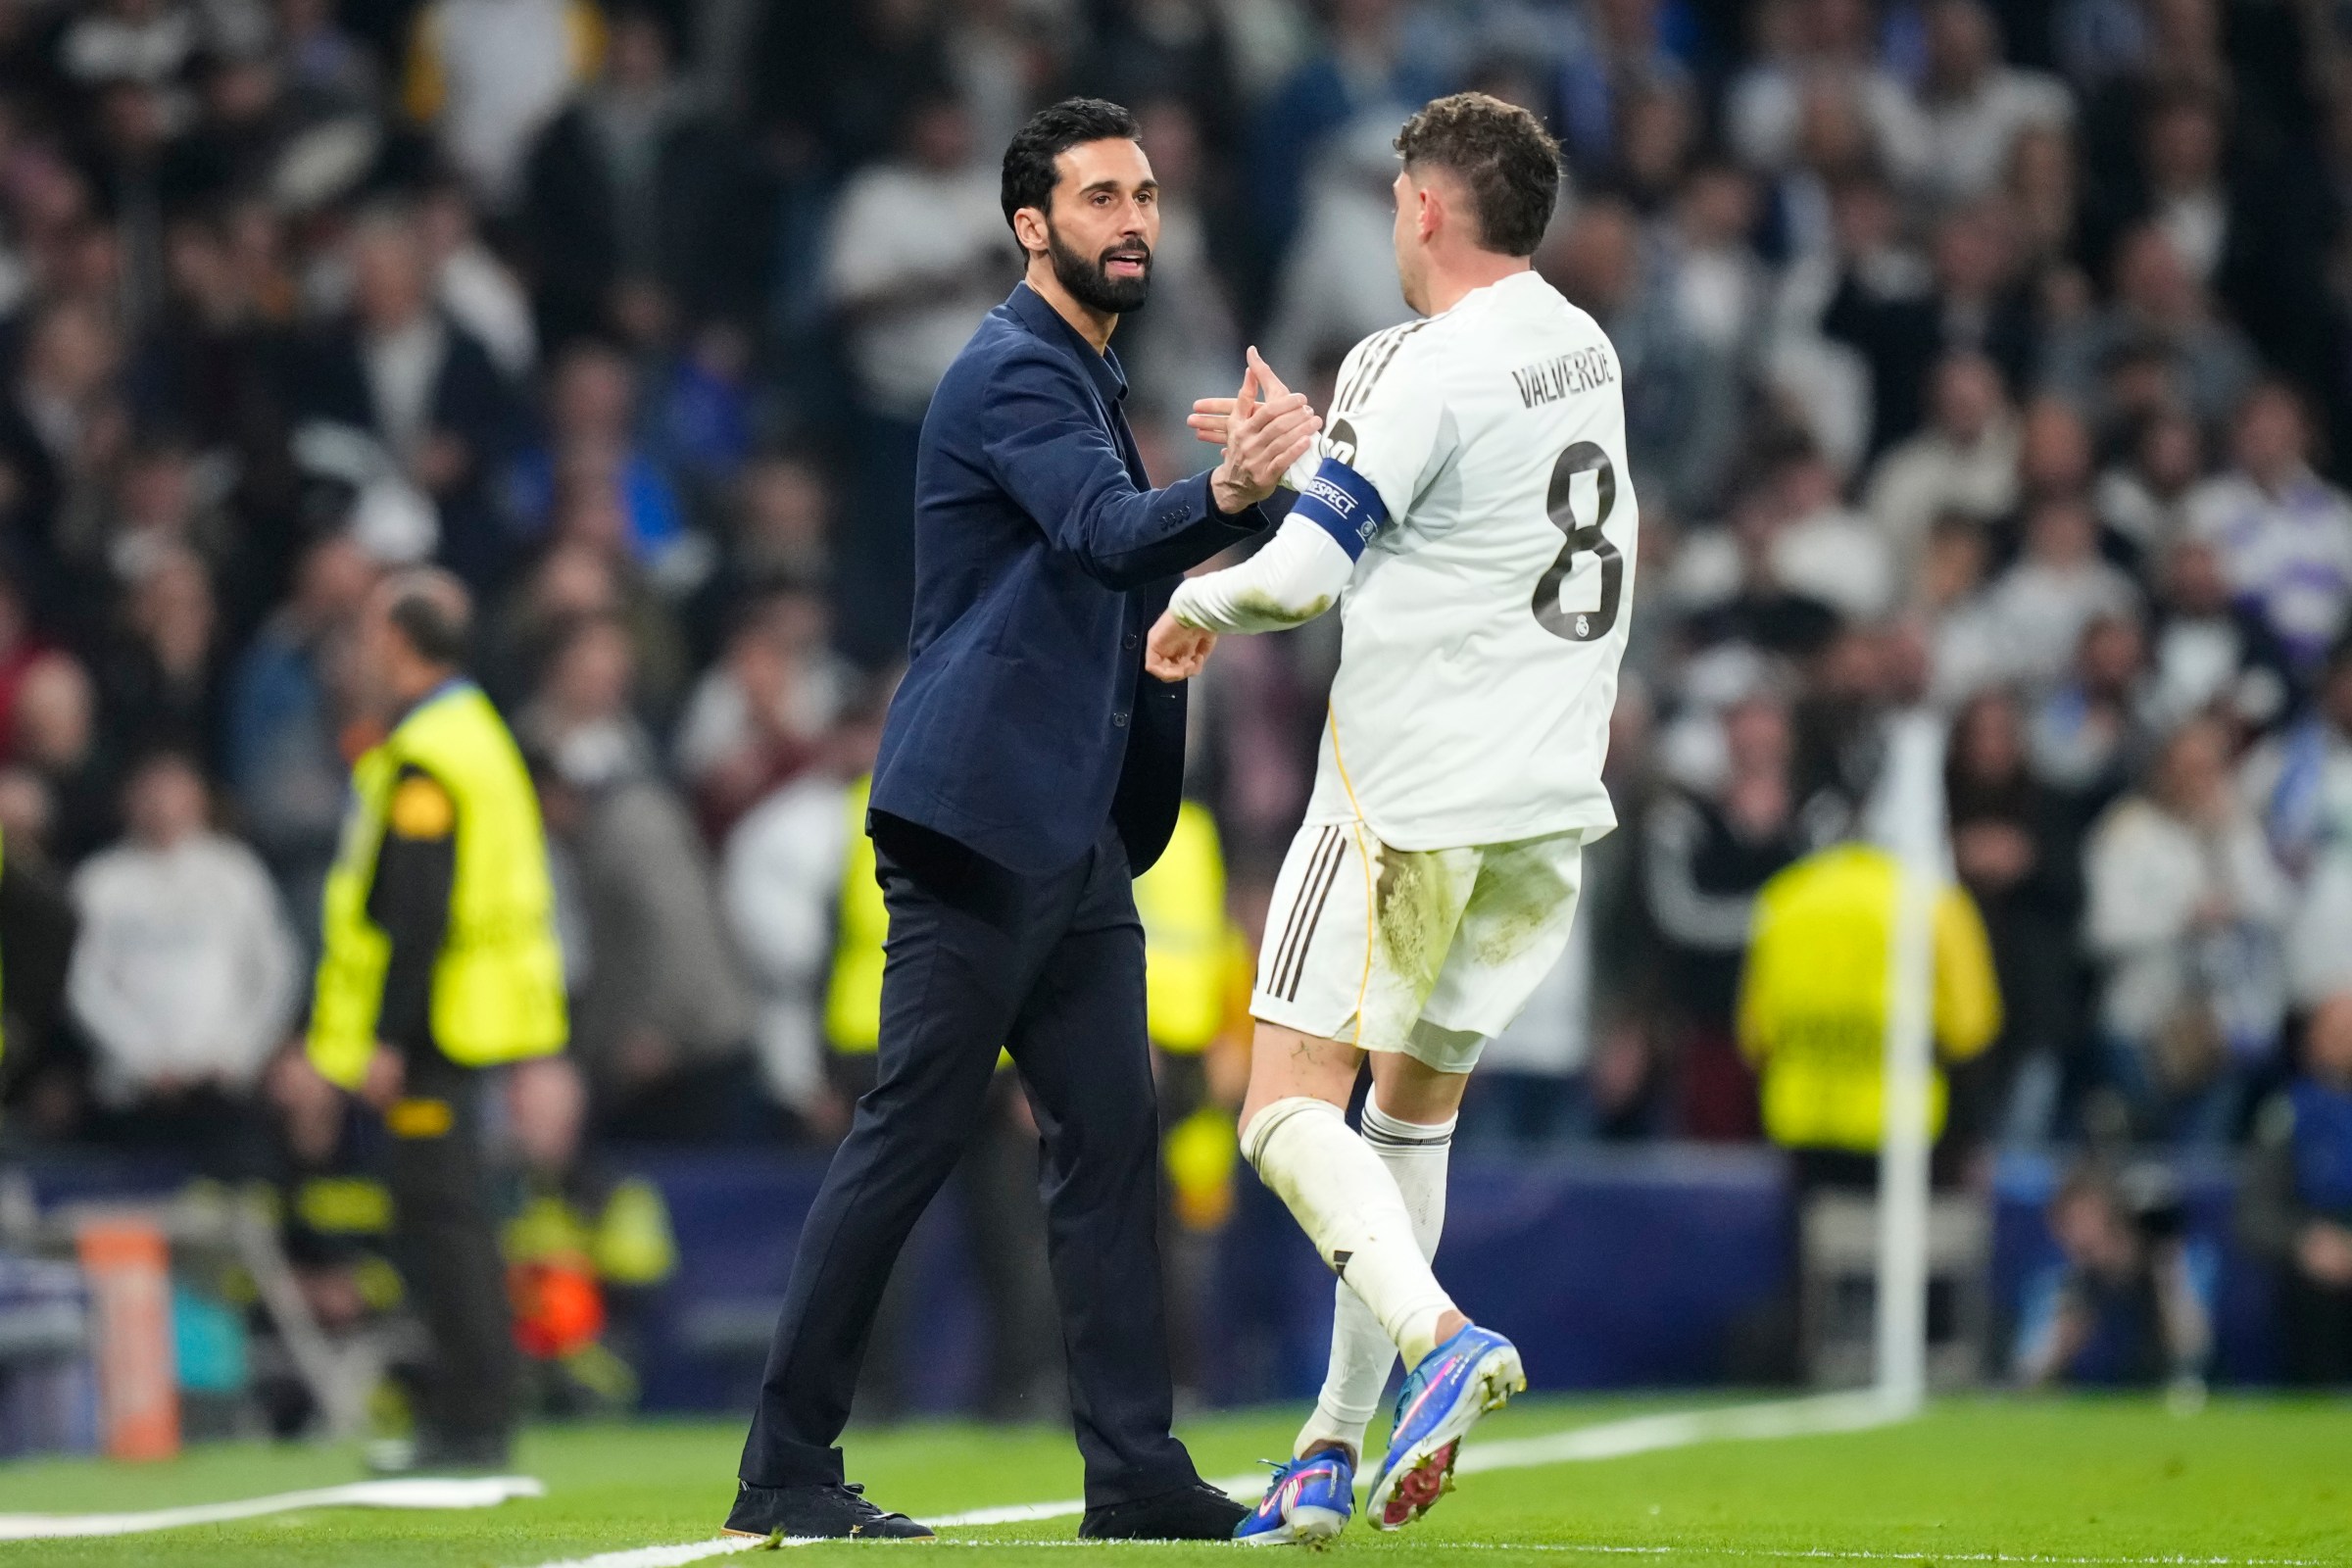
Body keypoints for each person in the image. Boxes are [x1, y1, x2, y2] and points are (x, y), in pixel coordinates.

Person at [725, 98, 1312, 1544]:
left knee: (1111, 1145)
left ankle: (1134, 1472)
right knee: (911, 1137)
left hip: (1069, 833)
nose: (1136, 220)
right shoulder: (1012, 373)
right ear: (1030, 227)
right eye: (1102, 197)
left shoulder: (1085, 380)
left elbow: (1117, 564)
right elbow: (1107, 538)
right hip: (982, 824)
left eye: (1148, 195)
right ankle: (784, 1462)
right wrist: (1230, 490)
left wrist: (1242, 504)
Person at [1148, 93, 1618, 1543]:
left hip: (1409, 794)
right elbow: (1453, 511)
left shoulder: (1411, 358)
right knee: (1405, 1124)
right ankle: (1330, 1447)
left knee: (1284, 1108)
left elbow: (1303, 581)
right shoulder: (1581, 346)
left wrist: (1198, 598)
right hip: (1544, 801)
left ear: (1421, 207)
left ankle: (1442, 1340)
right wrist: (1316, 456)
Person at [306, 567, 567, 1471]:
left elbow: (418, 910)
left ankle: (468, 1417)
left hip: (435, 1026)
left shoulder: (428, 755)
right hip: (466, 1018)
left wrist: (387, 1035)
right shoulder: (472, 733)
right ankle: (471, 1411)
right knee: (452, 1217)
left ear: (396, 642)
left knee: (442, 1222)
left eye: (369, 634)